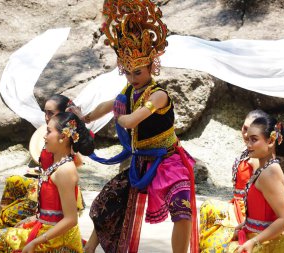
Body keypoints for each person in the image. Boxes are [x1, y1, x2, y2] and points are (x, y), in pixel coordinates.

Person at [68, 1, 198, 252]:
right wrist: (85, 117)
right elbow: (110, 104)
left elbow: (131, 119)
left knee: (182, 211)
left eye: (137, 72)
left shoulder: (159, 95)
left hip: (169, 162)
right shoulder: (129, 90)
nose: (131, 77)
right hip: (141, 162)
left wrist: (121, 117)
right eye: (127, 72)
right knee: (109, 202)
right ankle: (89, 249)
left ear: (152, 66)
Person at [0, 112, 94, 252]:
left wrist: (35, 242)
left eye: (49, 132)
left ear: (63, 136)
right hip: (46, 229)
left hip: (56, 240)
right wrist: (33, 219)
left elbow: (71, 219)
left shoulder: (65, 171)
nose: (44, 136)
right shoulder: (58, 165)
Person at [0, 94, 85, 229]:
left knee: (8, 215)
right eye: (45, 112)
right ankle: (8, 234)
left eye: (51, 113)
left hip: (55, 188)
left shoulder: (64, 138)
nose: (46, 117)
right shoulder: (48, 134)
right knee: (12, 181)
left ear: (63, 115)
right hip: (43, 180)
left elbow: (77, 162)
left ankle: (13, 236)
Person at [226, 114, 284, 253]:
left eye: (254, 140)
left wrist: (253, 242)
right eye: (248, 139)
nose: (248, 145)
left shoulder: (270, 173)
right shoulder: (263, 169)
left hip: (269, 246)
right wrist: (244, 225)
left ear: (271, 140)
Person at [199, 110, 267, 252]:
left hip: (246, 211)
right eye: (245, 128)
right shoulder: (247, 152)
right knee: (207, 207)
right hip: (236, 204)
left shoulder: (256, 158)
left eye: (251, 131)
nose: (246, 134)